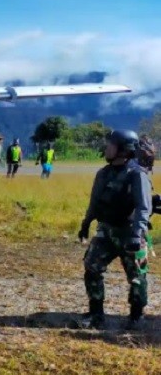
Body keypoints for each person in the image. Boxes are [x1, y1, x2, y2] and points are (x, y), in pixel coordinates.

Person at [77, 129, 152, 330]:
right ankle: (96, 313)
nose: (106, 148)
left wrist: (137, 234)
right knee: (91, 266)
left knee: (137, 276)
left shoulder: (137, 175)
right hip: (107, 230)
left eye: (110, 144)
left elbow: (143, 207)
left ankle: (136, 316)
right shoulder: (103, 173)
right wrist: (86, 223)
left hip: (131, 232)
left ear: (123, 150)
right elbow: (95, 202)